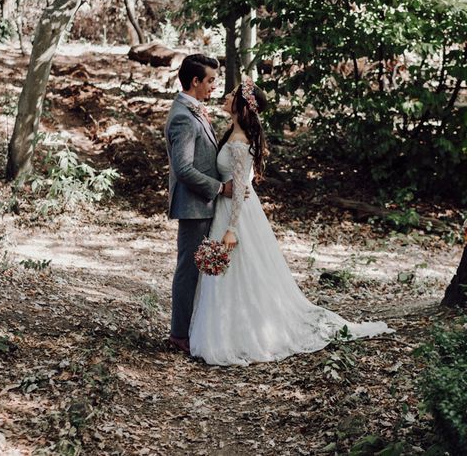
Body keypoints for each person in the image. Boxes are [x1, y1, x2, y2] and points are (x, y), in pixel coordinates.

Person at [189, 79, 391, 365]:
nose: (226, 94)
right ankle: (230, 327)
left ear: (243, 105)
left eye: (233, 94)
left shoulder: (239, 142)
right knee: (233, 274)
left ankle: (245, 333)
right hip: (226, 208)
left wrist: (232, 229)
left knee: (240, 270)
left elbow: (238, 190)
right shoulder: (232, 134)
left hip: (237, 214)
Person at [165, 54, 238, 354]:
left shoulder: (193, 110)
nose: (214, 86)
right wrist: (221, 187)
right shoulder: (182, 116)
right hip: (194, 205)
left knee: (198, 269)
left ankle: (195, 328)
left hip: (204, 205)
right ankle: (179, 335)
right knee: (188, 270)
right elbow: (183, 169)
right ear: (195, 81)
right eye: (210, 80)